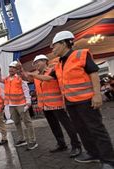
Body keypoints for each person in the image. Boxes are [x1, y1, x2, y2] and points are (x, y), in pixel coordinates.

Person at [28, 30, 114, 169]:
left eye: (54, 45)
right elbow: (49, 78)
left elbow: (93, 73)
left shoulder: (80, 55)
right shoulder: (60, 64)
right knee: (81, 129)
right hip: (70, 102)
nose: (53, 49)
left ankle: (109, 160)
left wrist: (97, 94)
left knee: (96, 129)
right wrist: (32, 75)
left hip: (86, 100)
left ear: (64, 43)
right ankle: (92, 153)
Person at [22, 54, 82, 158]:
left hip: (57, 104)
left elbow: (47, 79)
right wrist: (21, 69)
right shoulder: (36, 75)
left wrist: (33, 74)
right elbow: (26, 77)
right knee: (54, 126)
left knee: (68, 126)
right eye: (34, 63)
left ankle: (76, 146)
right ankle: (61, 144)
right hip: (45, 105)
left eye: (37, 62)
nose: (35, 65)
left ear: (45, 61)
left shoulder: (53, 70)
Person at [0, 62, 38, 150]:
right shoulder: (7, 79)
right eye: (10, 67)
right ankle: (22, 139)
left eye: (13, 68)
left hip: (21, 104)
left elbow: (26, 90)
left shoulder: (20, 78)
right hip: (11, 105)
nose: (11, 69)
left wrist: (28, 102)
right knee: (17, 122)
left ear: (16, 69)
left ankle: (32, 141)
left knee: (27, 122)